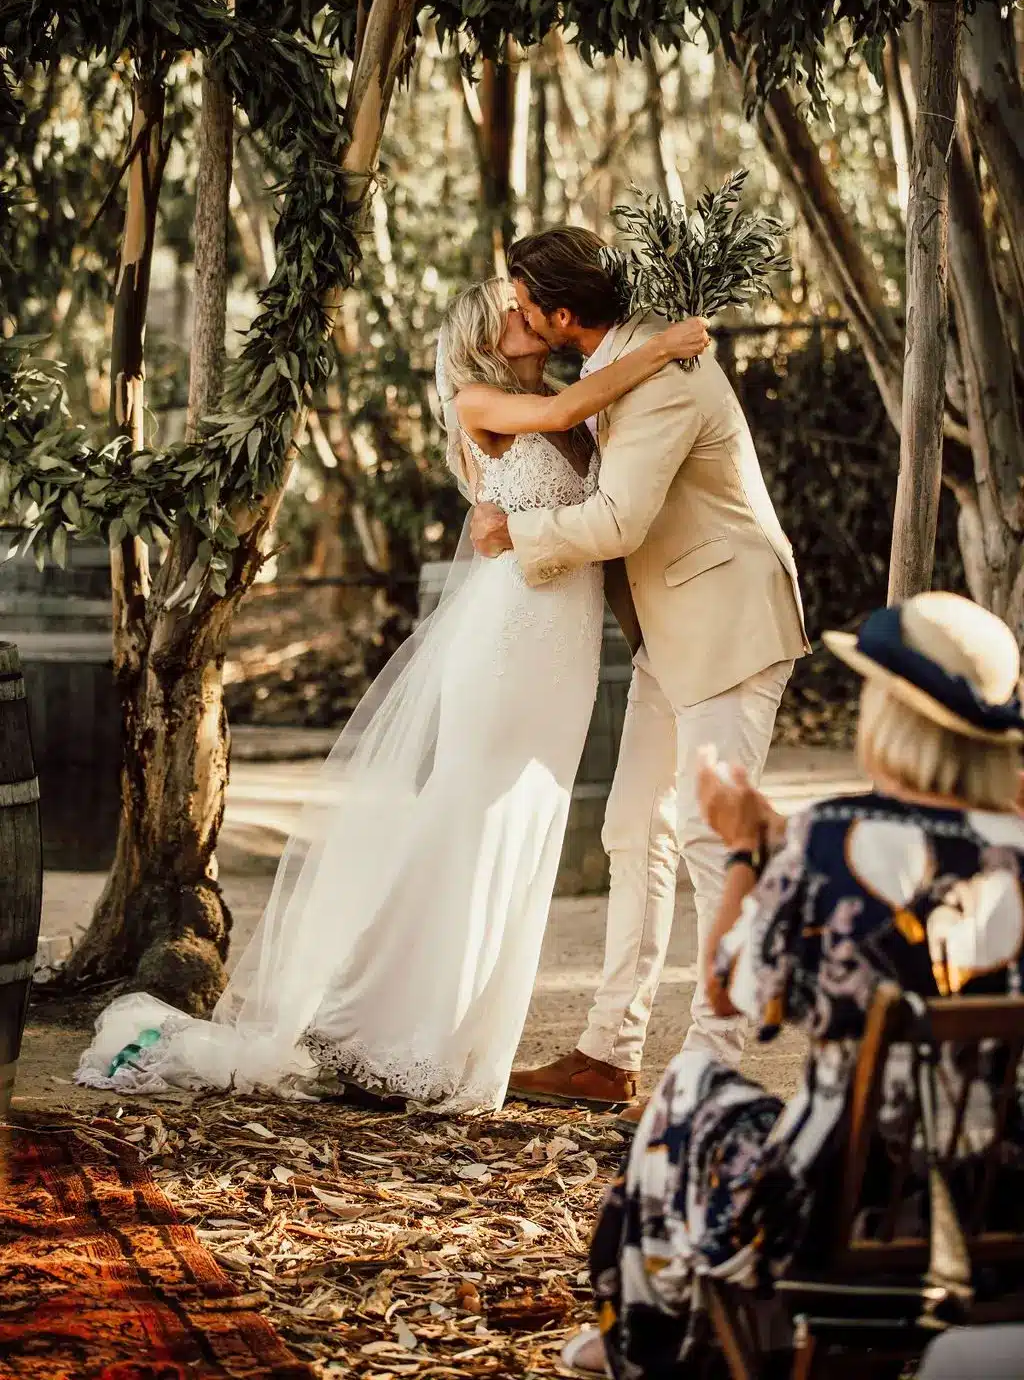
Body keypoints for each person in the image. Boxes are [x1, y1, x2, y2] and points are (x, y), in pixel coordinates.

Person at [75, 280, 709, 1113]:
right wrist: (662, 346)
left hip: (563, 648)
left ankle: (455, 1037)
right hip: (508, 641)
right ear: (482, 336)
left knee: (519, 829)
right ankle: (378, 1029)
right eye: (512, 310)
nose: (527, 315)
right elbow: (563, 417)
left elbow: (602, 475)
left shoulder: (561, 398)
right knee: (465, 822)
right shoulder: (478, 400)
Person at [563, 591, 1024, 1378]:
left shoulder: (828, 841)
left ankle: (648, 1335)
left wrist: (747, 848)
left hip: (836, 1218)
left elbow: (728, 990)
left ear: (889, 717)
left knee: (692, 1089)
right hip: (1002, 1212)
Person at [471, 227, 809, 1113]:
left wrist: (515, 533)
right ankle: (607, 1053)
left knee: (708, 838)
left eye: (524, 302)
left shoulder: (663, 376)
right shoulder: (620, 364)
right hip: (672, 633)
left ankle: (714, 1063)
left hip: (728, 624)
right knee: (632, 829)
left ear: (563, 315)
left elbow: (619, 520)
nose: (517, 314)